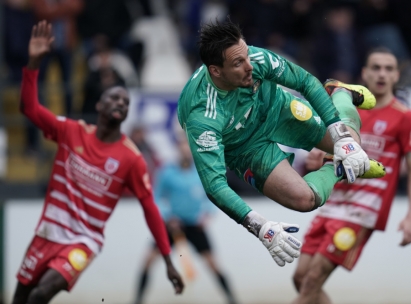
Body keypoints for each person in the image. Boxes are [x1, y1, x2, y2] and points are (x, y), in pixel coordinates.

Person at [177, 19, 385, 268]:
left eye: (246, 54)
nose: (249, 66)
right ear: (216, 71)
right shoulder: (202, 116)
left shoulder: (254, 59)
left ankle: (340, 93)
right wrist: (261, 227)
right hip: (245, 149)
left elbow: (305, 82)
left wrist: (342, 139)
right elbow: (213, 185)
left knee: (352, 143)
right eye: (238, 63)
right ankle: (335, 165)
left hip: (277, 108)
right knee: (305, 200)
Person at [12, 20, 184, 304]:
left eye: (126, 102)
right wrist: (33, 64)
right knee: (21, 298)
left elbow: (149, 206)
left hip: (84, 241)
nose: (121, 103)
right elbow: (29, 108)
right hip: (47, 232)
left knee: (42, 294)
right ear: (99, 105)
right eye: (114, 98)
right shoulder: (71, 131)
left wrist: (167, 258)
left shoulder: (131, 157)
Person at [291, 47, 411, 304]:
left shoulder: (404, 117)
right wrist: (319, 157)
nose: (382, 74)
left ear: (396, 75)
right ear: (364, 73)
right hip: (333, 204)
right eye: (376, 67)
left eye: (388, 69)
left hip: (363, 210)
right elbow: (328, 152)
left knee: (312, 281)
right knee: (300, 278)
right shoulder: (348, 111)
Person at [134, 137, 238, 304]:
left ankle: (233, 300)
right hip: (172, 225)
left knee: (214, 265)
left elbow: (214, 193)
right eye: (182, 148)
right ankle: (137, 300)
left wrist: (207, 215)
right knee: (147, 261)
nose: (185, 151)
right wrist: (168, 216)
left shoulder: (202, 171)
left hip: (195, 226)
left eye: (188, 148)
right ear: (177, 150)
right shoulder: (167, 172)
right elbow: (156, 197)